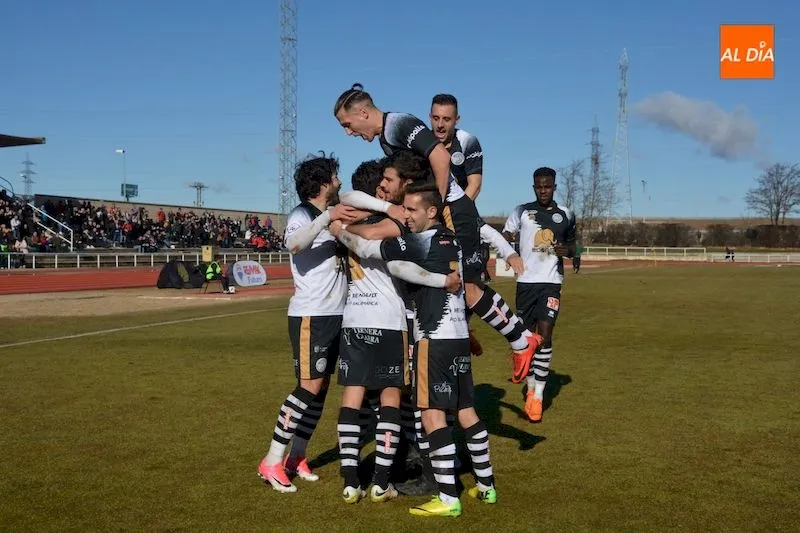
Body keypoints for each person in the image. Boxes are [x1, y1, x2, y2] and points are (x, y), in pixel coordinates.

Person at [334, 85, 540, 384]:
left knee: (467, 286)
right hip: (436, 212)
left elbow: (441, 159)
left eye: (347, 124)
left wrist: (438, 208)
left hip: (453, 210)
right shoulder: (386, 139)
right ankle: (469, 334)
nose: (348, 132)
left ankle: (522, 340)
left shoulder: (398, 125)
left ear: (363, 113)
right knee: (444, 285)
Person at [332, 182, 498, 518]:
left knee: (432, 416)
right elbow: (400, 269)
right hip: (457, 335)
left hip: (432, 340)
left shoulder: (417, 241)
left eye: (411, 210)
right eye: (404, 209)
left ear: (432, 211)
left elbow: (366, 249)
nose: (405, 216)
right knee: (466, 410)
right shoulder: (453, 240)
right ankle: (486, 485)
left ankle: (449, 498)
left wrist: (337, 229)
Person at [334, 159, 461, 504]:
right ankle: (380, 480)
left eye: (389, 182)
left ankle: (355, 480)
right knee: (392, 397)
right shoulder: (392, 218)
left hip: (372, 319)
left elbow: (366, 238)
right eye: (384, 182)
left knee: (370, 396)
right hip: (388, 320)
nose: (385, 188)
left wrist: (340, 226)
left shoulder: (383, 222)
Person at [257, 153, 364, 493]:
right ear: (321, 183)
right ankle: (272, 459)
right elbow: (293, 243)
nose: (339, 182)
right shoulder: (302, 215)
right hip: (310, 315)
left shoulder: (332, 214)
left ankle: (296, 457)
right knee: (308, 387)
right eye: (335, 177)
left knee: (321, 390)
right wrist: (326, 219)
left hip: (336, 315)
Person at [503, 167, 577, 423]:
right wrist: (507, 250)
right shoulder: (521, 211)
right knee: (528, 339)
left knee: (545, 336)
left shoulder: (566, 214)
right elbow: (506, 234)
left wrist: (569, 251)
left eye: (547, 186)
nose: (543, 190)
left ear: (554, 186)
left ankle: (537, 396)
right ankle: (531, 386)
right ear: (534, 186)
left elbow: (572, 246)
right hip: (525, 282)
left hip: (551, 281)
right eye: (538, 186)